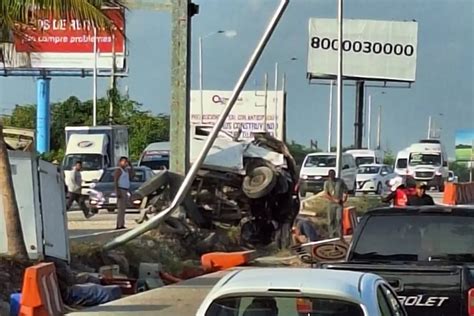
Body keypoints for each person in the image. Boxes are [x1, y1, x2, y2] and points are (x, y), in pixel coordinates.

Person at [324, 169, 348, 238]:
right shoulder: (327, 183)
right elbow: (326, 194)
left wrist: (345, 197)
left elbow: (345, 190)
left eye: (333, 175)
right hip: (331, 204)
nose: (331, 177)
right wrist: (334, 200)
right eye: (330, 175)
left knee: (339, 219)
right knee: (331, 220)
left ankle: (339, 234)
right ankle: (332, 235)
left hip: (339, 204)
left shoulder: (340, 181)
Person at [114, 157, 134, 230]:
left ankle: (122, 223)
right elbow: (116, 181)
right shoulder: (119, 170)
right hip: (121, 189)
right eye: (124, 162)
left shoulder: (126, 170)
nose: (125, 163)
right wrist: (117, 191)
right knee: (120, 208)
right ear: (120, 162)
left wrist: (131, 165)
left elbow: (132, 176)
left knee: (123, 209)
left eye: (126, 162)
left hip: (126, 190)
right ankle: (119, 225)